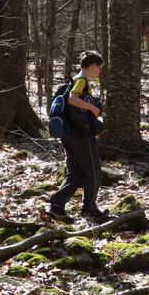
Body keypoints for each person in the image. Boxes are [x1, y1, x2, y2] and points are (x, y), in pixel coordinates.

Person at [48, 51, 108, 223]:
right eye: (99, 68)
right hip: (80, 133)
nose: (99, 72)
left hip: (69, 134)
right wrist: (93, 109)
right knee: (94, 169)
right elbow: (73, 100)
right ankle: (89, 208)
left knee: (75, 172)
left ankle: (56, 206)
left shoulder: (74, 80)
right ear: (92, 66)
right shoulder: (81, 81)